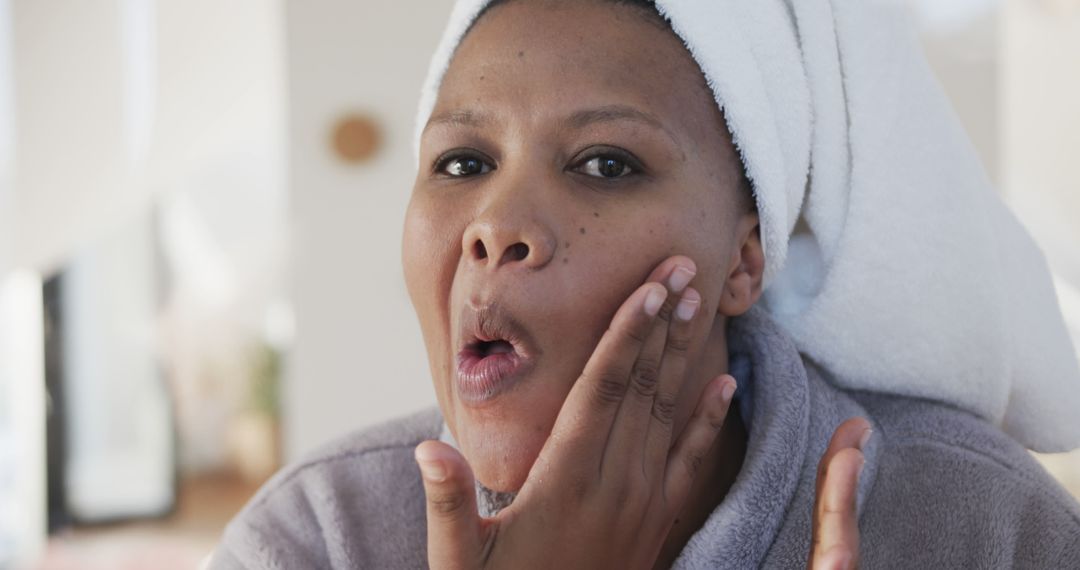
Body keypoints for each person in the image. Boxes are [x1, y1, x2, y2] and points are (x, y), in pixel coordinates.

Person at [211, 0, 1080, 568]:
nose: (493, 225)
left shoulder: (981, 526)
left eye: (604, 163)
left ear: (744, 259)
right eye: (463, 161)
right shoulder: (315, 540)